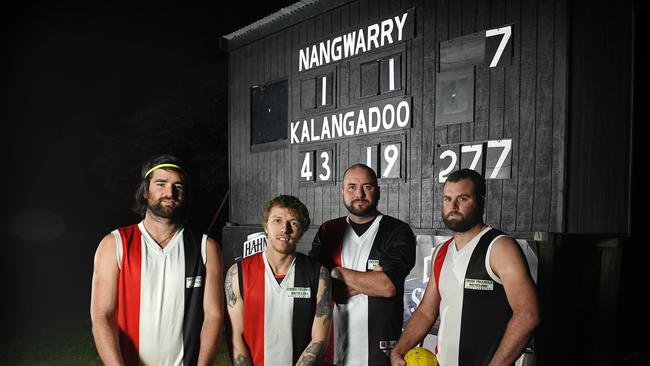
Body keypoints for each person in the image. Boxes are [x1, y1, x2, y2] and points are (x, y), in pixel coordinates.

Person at [390, 169, 539, 366]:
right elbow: (426, 311)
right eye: (447, 199)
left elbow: (528, 315)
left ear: (481, 201)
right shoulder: (440, 252)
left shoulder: (500, 248)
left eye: (462, 198)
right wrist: (399, 350)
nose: (453, 206)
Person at [90, 154, 224, 366]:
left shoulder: (206, 247)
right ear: (145, 190)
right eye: (161, 184)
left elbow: (213, 316)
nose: (169, 192)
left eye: (177, 186)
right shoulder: (114, 243)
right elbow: (102, 316)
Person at [310, 163, 416, 366]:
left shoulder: (398, 231)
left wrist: (336, 272)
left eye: (367, 186)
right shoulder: (328, 230)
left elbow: (386, 286)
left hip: (379, 350)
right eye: (351, 187)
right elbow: (317, 288)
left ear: (378, 190)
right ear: (342, 191)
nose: (359, 193)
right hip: (330, 349)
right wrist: (369, 280)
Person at [225, 195, 331, 366]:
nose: (285, 229)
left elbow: (319, 339)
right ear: (266, 226)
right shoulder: (237, 273)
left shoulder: (318, 275)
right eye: (277, 221)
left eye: (293, 223)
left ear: (302, 230)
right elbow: (235, 336)